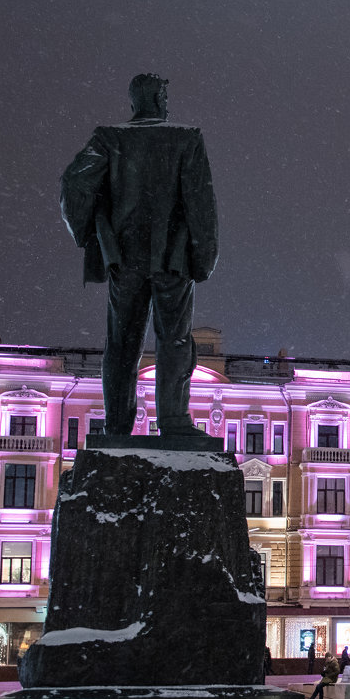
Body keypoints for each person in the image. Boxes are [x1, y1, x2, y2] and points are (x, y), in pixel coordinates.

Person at [60, 73, 219, 437]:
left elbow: (73, 183)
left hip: (124, 256)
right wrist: (204, 255)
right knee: (174, 337)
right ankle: (174, 420)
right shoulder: (185, 138)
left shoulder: (110, 138)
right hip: (173, 258)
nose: (166, 101)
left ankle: (117, 423)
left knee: (121, 342)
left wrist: (91, 234)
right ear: (156, 98)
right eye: (163, 94)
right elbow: (201, 204)